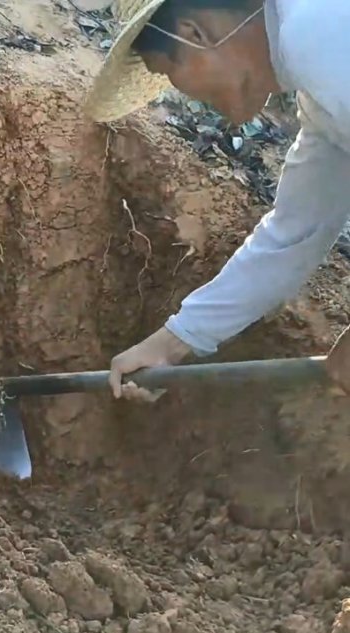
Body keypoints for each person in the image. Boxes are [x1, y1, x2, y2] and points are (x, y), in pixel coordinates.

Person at [83, 0, 350, 400]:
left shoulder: (313, 28)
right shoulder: (325, 102)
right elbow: (293, 234)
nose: (180, 92)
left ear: (195, 34)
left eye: (168, 74)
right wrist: (174, 341)